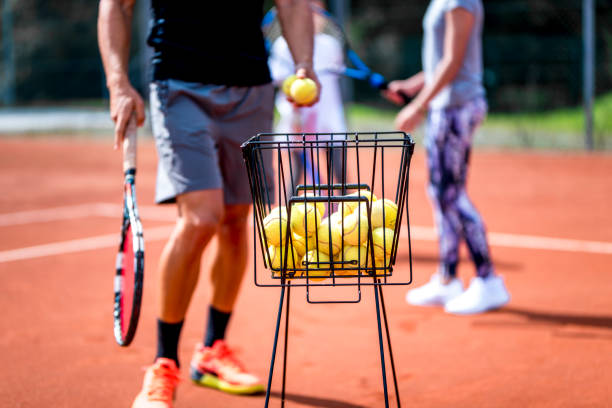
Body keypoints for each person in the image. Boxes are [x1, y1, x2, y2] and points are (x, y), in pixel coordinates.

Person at [97, 1, 319, 407]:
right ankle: (164, 364)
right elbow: (116, 6)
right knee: (201, 219)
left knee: (236, 220)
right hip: (179, 84)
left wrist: (304, 63)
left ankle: (213, 351)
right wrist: (117, 83)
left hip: (252, 86)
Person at [383, 0, 510, 315]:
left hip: (456, 107)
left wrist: (418, 105)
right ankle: (447, 278)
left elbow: (454, 61)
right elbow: (442, 60)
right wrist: (412, 87)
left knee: (451, 194)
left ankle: (488, 279)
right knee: (440, 192)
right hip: (445, 106)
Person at [269, 0, 346, 189]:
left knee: (340, 173)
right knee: (297, 172)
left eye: (318, 11)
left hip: (330, 120)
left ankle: (348, 214)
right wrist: (293, 113)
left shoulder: (331, 45)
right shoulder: (282, 46)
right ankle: (288, 215)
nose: (313, 16)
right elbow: (281, 81)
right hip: (297, 119)